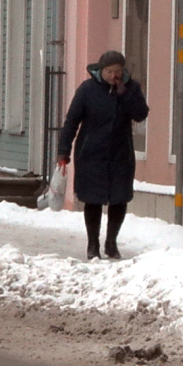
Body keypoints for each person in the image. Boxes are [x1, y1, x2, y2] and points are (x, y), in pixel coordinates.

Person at [57, 50, 149, 260]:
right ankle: (92, 244)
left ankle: (111, 242)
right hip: (91, 154)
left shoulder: (131, 88)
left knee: (119, 199)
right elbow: (71, 121)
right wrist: (64, 151)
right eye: (109, 71)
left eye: (117, 71)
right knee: (93, 199)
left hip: (120, 155)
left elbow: (141, 113)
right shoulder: (87, 90)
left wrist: (124, 93)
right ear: (101, 70)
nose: (113, 76)